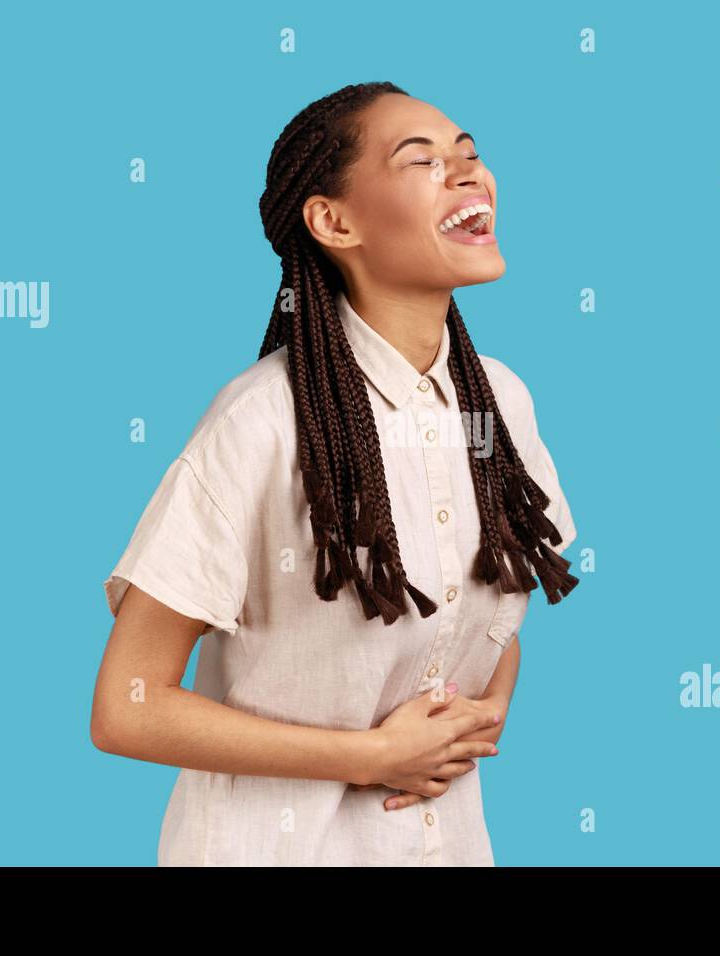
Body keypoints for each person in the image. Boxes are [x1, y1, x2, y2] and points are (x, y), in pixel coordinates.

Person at [91, 81, 580, 866]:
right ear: (333, 220)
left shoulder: (503, 404)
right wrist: (369, 757)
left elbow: (494, 611)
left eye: (470, 154)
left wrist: (478, 714)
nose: (466, 173)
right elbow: (126, 707)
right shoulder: (260, 422)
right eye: (421, 160)